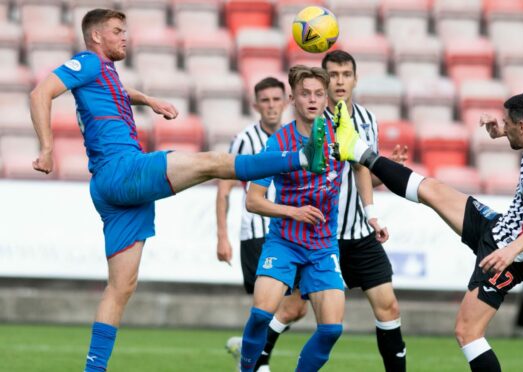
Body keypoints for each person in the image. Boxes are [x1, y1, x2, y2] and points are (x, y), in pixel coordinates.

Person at [29, 9, 326, 372]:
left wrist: (149, 100)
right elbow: (40, 92)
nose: (125, 37)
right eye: (118, 31)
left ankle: (94, 370)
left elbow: (120, 92)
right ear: (95, 37)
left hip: (112, 190)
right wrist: (46, 148)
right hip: (123, 172)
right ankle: (300, 156)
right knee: (210, 163)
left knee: (120, 288)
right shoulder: (88, 62)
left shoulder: (104, 73)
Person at [334, 92, 523, 372]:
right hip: (499, 228)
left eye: (507, 122)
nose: (503, 125)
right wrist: (500, 133)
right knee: (432, 190)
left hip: (510, 254)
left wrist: (510, 252)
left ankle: (355, 148)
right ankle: (356, 149)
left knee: (467, 332)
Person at [239, 65, 373, 372]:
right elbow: (253, 200)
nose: (312, 100)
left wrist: (372, 213)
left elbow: (361, 167)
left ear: (326, 98)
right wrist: (292, 212)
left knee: (331, 330)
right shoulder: (278, 143)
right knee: (261, 314)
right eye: (304, 94)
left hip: (323, 247)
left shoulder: (340, 137)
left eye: (318, 94)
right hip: (284, 242)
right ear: (292, 99)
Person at [322, 50, 407, 371]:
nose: (340, 80)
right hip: (322, 235)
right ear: (323, 79)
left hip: (359, 233)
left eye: (346, 74)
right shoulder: (313, 121)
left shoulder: (367, 120)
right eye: (333, 74)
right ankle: (253, 360)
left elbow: (362, 175)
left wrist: (385, 172)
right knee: (292, 311)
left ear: (355, 79)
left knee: (388, 307)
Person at [217, 77, 307, 371]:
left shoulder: (294, 137)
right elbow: (225, 187)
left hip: (290, 234)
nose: (271, 106)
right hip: (256, 233)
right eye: (264, 100)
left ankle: (249, 350)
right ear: (256, 105)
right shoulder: (245, 139)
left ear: (286, 101)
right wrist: (222, 235)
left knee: (297, 307)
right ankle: (258, 362)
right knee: (267, 306)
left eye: (275, 99)